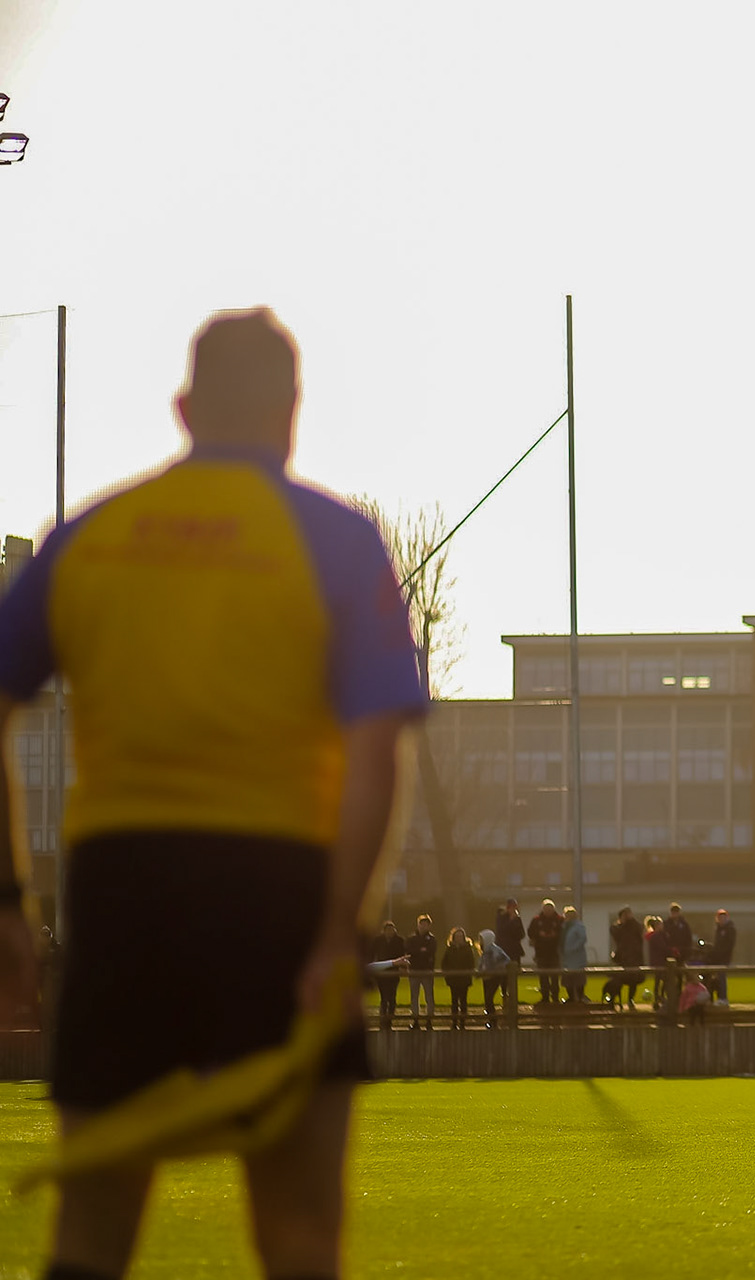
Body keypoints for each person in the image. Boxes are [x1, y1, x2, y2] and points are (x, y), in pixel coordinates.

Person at [0, 308, 427, 1280]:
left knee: (88, 1239)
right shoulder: (340, 541)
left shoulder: (91, 536)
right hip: (278, 887)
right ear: (292, 411)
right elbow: (375, 754)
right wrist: (336, 930)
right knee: (302, 1241)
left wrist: (6, 903)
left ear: (185, 406)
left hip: (122, 891)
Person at [605, 906, 646, 1007]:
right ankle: (613, 999)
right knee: (618, 981)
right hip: (623, 959)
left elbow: (640, 929)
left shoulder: (635, 926)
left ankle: (630, 999)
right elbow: (614, 932)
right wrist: (623, 922)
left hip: (635, 959)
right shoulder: (619, 928)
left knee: (633, 982)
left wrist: (631, 920)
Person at [370, 921, 406, 1031]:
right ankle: (383, 1021)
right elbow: (372, 954)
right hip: (382, 973)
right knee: (384, 998)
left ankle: (389, 1020)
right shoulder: (378, 940)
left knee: (392, 997)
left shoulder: (399, 941)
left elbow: (402, 954)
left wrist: (402, 967)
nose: (390, 932)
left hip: (394, 973)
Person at [404, 914, 437, 1030]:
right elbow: (409, 952)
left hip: (427, 971)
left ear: (429, 926)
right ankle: (415, 1020)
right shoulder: (411, 938)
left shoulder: (432, 939)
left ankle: (429, 1020)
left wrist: (419, 952)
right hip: (414, 970)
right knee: (414, 996)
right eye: (421, 924)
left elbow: (431, 952)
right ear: (418, 925)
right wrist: (421, 951)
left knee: (429, 996)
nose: (423, 927)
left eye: (425, 925)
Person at [441, 927, 478, 1030]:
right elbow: (444, 963)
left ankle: (462, 1022)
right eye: (457, 936)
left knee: (463, 1001)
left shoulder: (467, 949)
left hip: (464, 979)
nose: (458, 938)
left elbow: (471, 963)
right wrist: (448, 975)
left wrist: (466, 973)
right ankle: (454, 1022)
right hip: (453, 979)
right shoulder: (450, 949)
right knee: (454, 1001)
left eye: (460, 936)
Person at [477, 928, 513, 1028]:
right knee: (487, 1000)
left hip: (494, 977)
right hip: (486, 978)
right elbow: (482, 964)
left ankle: (493, 1021)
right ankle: (491, 1020)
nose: (480, 941)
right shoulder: (485, 951)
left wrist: (496, 968)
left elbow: (506, 960)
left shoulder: (495, 949)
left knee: (489, 999)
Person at [707, 907, 737, 1006]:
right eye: (720, 918)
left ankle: (723, 998)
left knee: (722, 977)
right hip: (718, 958)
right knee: (718, 978)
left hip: (724, 958)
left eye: (724, 918)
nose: (721, 920)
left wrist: (721, 954)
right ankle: (720, 997)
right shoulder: (718, 929)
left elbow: (729, 945)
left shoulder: (729, 929)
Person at [560, 905, 588, 1005]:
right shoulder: (564, 927)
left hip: (577, 957)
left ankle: (580, 998)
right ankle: (571, 998)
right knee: (568, 979)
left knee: (579, 978)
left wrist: (573, 948)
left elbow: (582, 939)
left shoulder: (578, 926)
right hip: (567, 958)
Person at [644, 914, 669, 1008]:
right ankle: (659, 998)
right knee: (662, 981)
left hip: (657, 961)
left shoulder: (657, 936)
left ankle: (659, 998)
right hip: (659, 962)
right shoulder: (656, 936)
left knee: (658, 981)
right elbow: (663, 948)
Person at [493, 898, 526, 968]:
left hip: (514, 951)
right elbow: (501, 930)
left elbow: (521, 934)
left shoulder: (517, 918)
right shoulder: (501, 917)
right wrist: (511, 920)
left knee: (515, 971)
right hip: (503, 949)